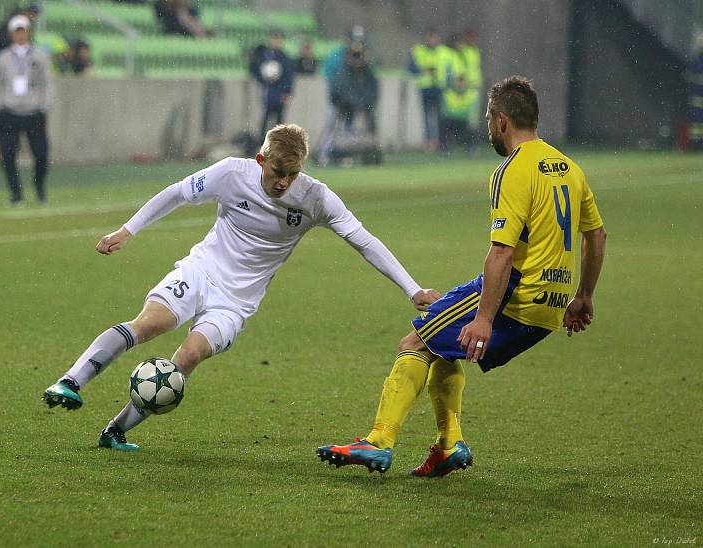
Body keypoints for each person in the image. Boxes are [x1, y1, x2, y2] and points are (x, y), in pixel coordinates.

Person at [41, 124, 439, 451]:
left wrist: (412, 289)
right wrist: (127, 230)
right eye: (276, 173)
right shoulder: (232, 173)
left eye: (292, 175)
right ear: (260, 160)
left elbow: (364, 241)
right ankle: (71, 381)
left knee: (188, 357)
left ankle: (116, 430)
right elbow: (177, 193)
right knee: (150, 324)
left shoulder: (316, 198)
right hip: (201, 271)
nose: (283, 183)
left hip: (237, 303)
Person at [316, 76, 607, 477]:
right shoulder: (570, 169)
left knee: (416, 341)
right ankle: (449, 445)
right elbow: (596, 234)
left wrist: (484, 318)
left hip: (516, 293)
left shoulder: (512, 170)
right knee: (442, 338)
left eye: (489, 118)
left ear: (502, 121)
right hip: (553, 306)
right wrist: (584, 295)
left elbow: (502, 251)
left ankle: (379, 441)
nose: (488, 126)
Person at [0, 15, 53, 206]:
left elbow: (47, 83)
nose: (20, 34)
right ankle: (16, 194)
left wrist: (44, 107)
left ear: (28, 32)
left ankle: (39, 185)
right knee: (8, 155)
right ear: (11, 34)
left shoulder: (40, 56)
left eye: (23, 30)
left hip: (33, 111)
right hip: (9, 111)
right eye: (17, 31)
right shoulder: (3, 57)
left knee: (41, 154)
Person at [408, 29, 454, 152]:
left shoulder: (445, 52)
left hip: (440, 88)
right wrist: (423, 71)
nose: (431, 41)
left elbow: (451, 71)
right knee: (427, 117)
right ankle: (430, 142)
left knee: (441, 116)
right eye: (429, 38)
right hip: (425, 88)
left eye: (434, 38)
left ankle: (441, 142)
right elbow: (411, 68)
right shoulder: (419, 51)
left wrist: (449, 84)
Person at [249, 30, 295, 136]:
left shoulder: (285, 58)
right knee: (266, 117)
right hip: (269, 92)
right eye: (275, 39)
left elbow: (289, 77)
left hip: (280, 93)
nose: (276, 42)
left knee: (279, 120)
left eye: (279, 39)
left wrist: (287, 92)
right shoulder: (265, 55)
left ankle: (278, 143)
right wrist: (263, 79)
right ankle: (261, 142)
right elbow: (255, 70)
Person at [440, 75, 479, 152]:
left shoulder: (472, 93)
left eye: (462, 81)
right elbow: (445, 110)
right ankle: (444, 148)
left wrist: (463, 115)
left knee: (473, 124)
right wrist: (459, 114)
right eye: (458, 81)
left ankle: (472, 148)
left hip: (465, 120)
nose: (460, 84)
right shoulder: (448, 93)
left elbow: (473, 110)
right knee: (443, 123)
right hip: (453, 119)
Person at [686, 33, 703, 151]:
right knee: (697, 123)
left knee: (697, 123)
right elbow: (690, 81)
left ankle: (697, 144)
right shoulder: (695, 62)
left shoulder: (695, 62)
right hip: (697, 99)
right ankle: (697, 144)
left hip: (696, 98)